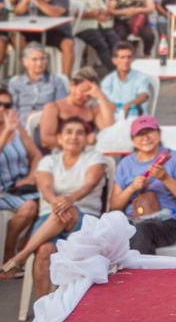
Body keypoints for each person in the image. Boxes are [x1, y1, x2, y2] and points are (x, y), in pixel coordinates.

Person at [0, 117, 104, 301]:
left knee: (67, 210)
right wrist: (57, 203)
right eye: (69, 132)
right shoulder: (48, 161)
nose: (74, 137)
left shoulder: (95, 158)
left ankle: (20, 256)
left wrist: (69, 199)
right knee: (44, 250)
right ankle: (44, 309)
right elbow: (45, 187)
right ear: (60, 138)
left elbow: (90, 183)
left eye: (79, 133)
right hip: (50, 218)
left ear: (87, 137)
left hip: (85, 218)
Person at [110, 114, 176, 254]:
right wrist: (131, 188)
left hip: (165, 221)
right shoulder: (125, 164)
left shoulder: (173, 158)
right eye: (140, 134)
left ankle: (140, 274)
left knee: (141, 231)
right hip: (131, 221)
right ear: (133, 140)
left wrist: (165, 178)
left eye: (149, 131)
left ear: (159, 133)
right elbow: (114, 205)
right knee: (107, 232)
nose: (145, 138)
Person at [0, 88, 41, 261]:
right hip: (3, 190)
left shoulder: (18, 129)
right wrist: (6, 132)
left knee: (52, 201)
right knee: (30, 207)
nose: (2, 108)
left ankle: (25, 248)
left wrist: (31, 176)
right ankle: (8, 254)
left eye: (6, 105)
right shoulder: (10, 130)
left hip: (23, 186)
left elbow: (36, 155)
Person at [13, 0, 76, 78]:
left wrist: (38, 1)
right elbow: (18, 12)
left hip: (57, 32)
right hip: (36, 31)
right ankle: (31, 73)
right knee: (16, 38)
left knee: (68, 44)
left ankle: (66, 80)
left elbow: (55, 12)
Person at [39, 69, 115, 151]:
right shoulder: (53, 107)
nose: (85, 97)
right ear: (72, 85)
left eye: (89, 95)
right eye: (83, 91)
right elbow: (46, 140)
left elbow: (109, 130)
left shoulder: (92, 110)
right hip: (59, 154)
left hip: (86, 155)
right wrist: (81, 143)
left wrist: (101, 97)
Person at [69, 0, 120, 75]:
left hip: (101, 25)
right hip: (83, 27)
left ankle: (121, 68)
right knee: (101, 44)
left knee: (116, 42)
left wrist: (99, 13)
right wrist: (93, 15)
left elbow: (104, 11)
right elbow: (74, 14)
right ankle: (115, 73)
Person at [8, 43, 69, 123]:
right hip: (20, 123)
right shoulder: (16, 82)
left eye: (42, 59)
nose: (39, 63)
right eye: (34, 59)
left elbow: (62, 107)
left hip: (47, 121)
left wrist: (39, 115)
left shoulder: (56, 81)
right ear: (25, 62)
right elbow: (11, 108)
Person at [99, 43, 152, 119]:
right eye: (122, 57)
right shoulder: (107, 81)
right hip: (114, 120)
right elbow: (102, 101)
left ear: (132, 59)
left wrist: (129, 104)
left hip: (137, 119)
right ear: (114, 60)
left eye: (129, 57)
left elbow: (144, 96)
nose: (126, 61)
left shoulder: (141, 77)